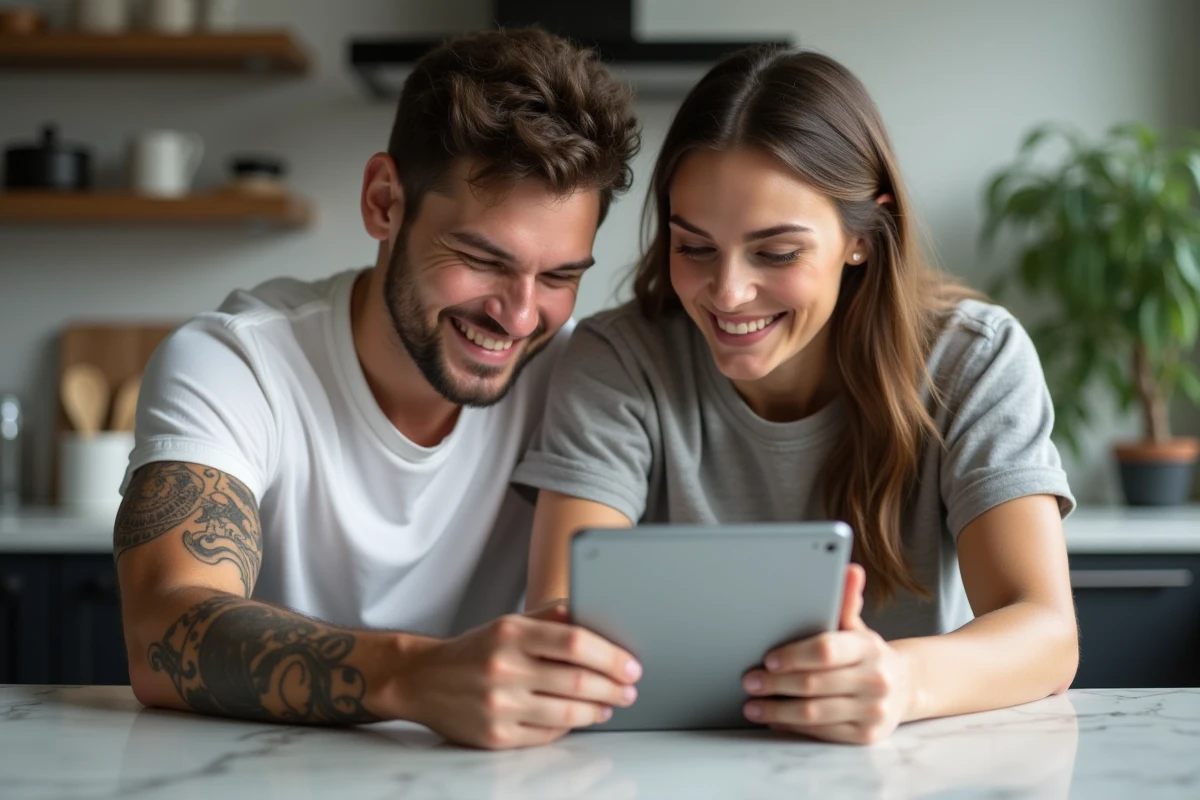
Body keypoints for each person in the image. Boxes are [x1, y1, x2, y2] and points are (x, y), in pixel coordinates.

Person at [516, 45, 1079, 745]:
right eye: (693, 247)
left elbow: (1046, 631)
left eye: (776, 253)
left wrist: (900, 681)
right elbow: (562, 618)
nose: (727, 293)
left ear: (861, 238)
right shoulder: (617, 360)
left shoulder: (973, 359)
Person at [113, 27, 645, 751]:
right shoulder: (234, 363)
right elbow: (162, 631)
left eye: (559, 277)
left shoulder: (585, 376)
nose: (519, 316)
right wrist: (414, 677)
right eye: (481, 259)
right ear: (384, 202)